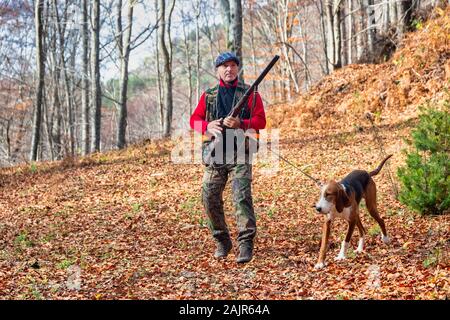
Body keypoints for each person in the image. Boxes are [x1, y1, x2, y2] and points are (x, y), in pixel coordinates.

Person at [190, 52, 266, 263]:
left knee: (241, 196)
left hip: (241, 151)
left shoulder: (250, 93)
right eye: (224, 66)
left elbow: (261, 121)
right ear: (218, 71)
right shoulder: (209, 95)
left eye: (232, 65)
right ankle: (222, 240)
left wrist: (241, 124)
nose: (229, 69)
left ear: (237, 69)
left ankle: (245, 244)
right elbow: (193, 120)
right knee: (209, 196)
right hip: (215, 153)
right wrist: (207, 126)